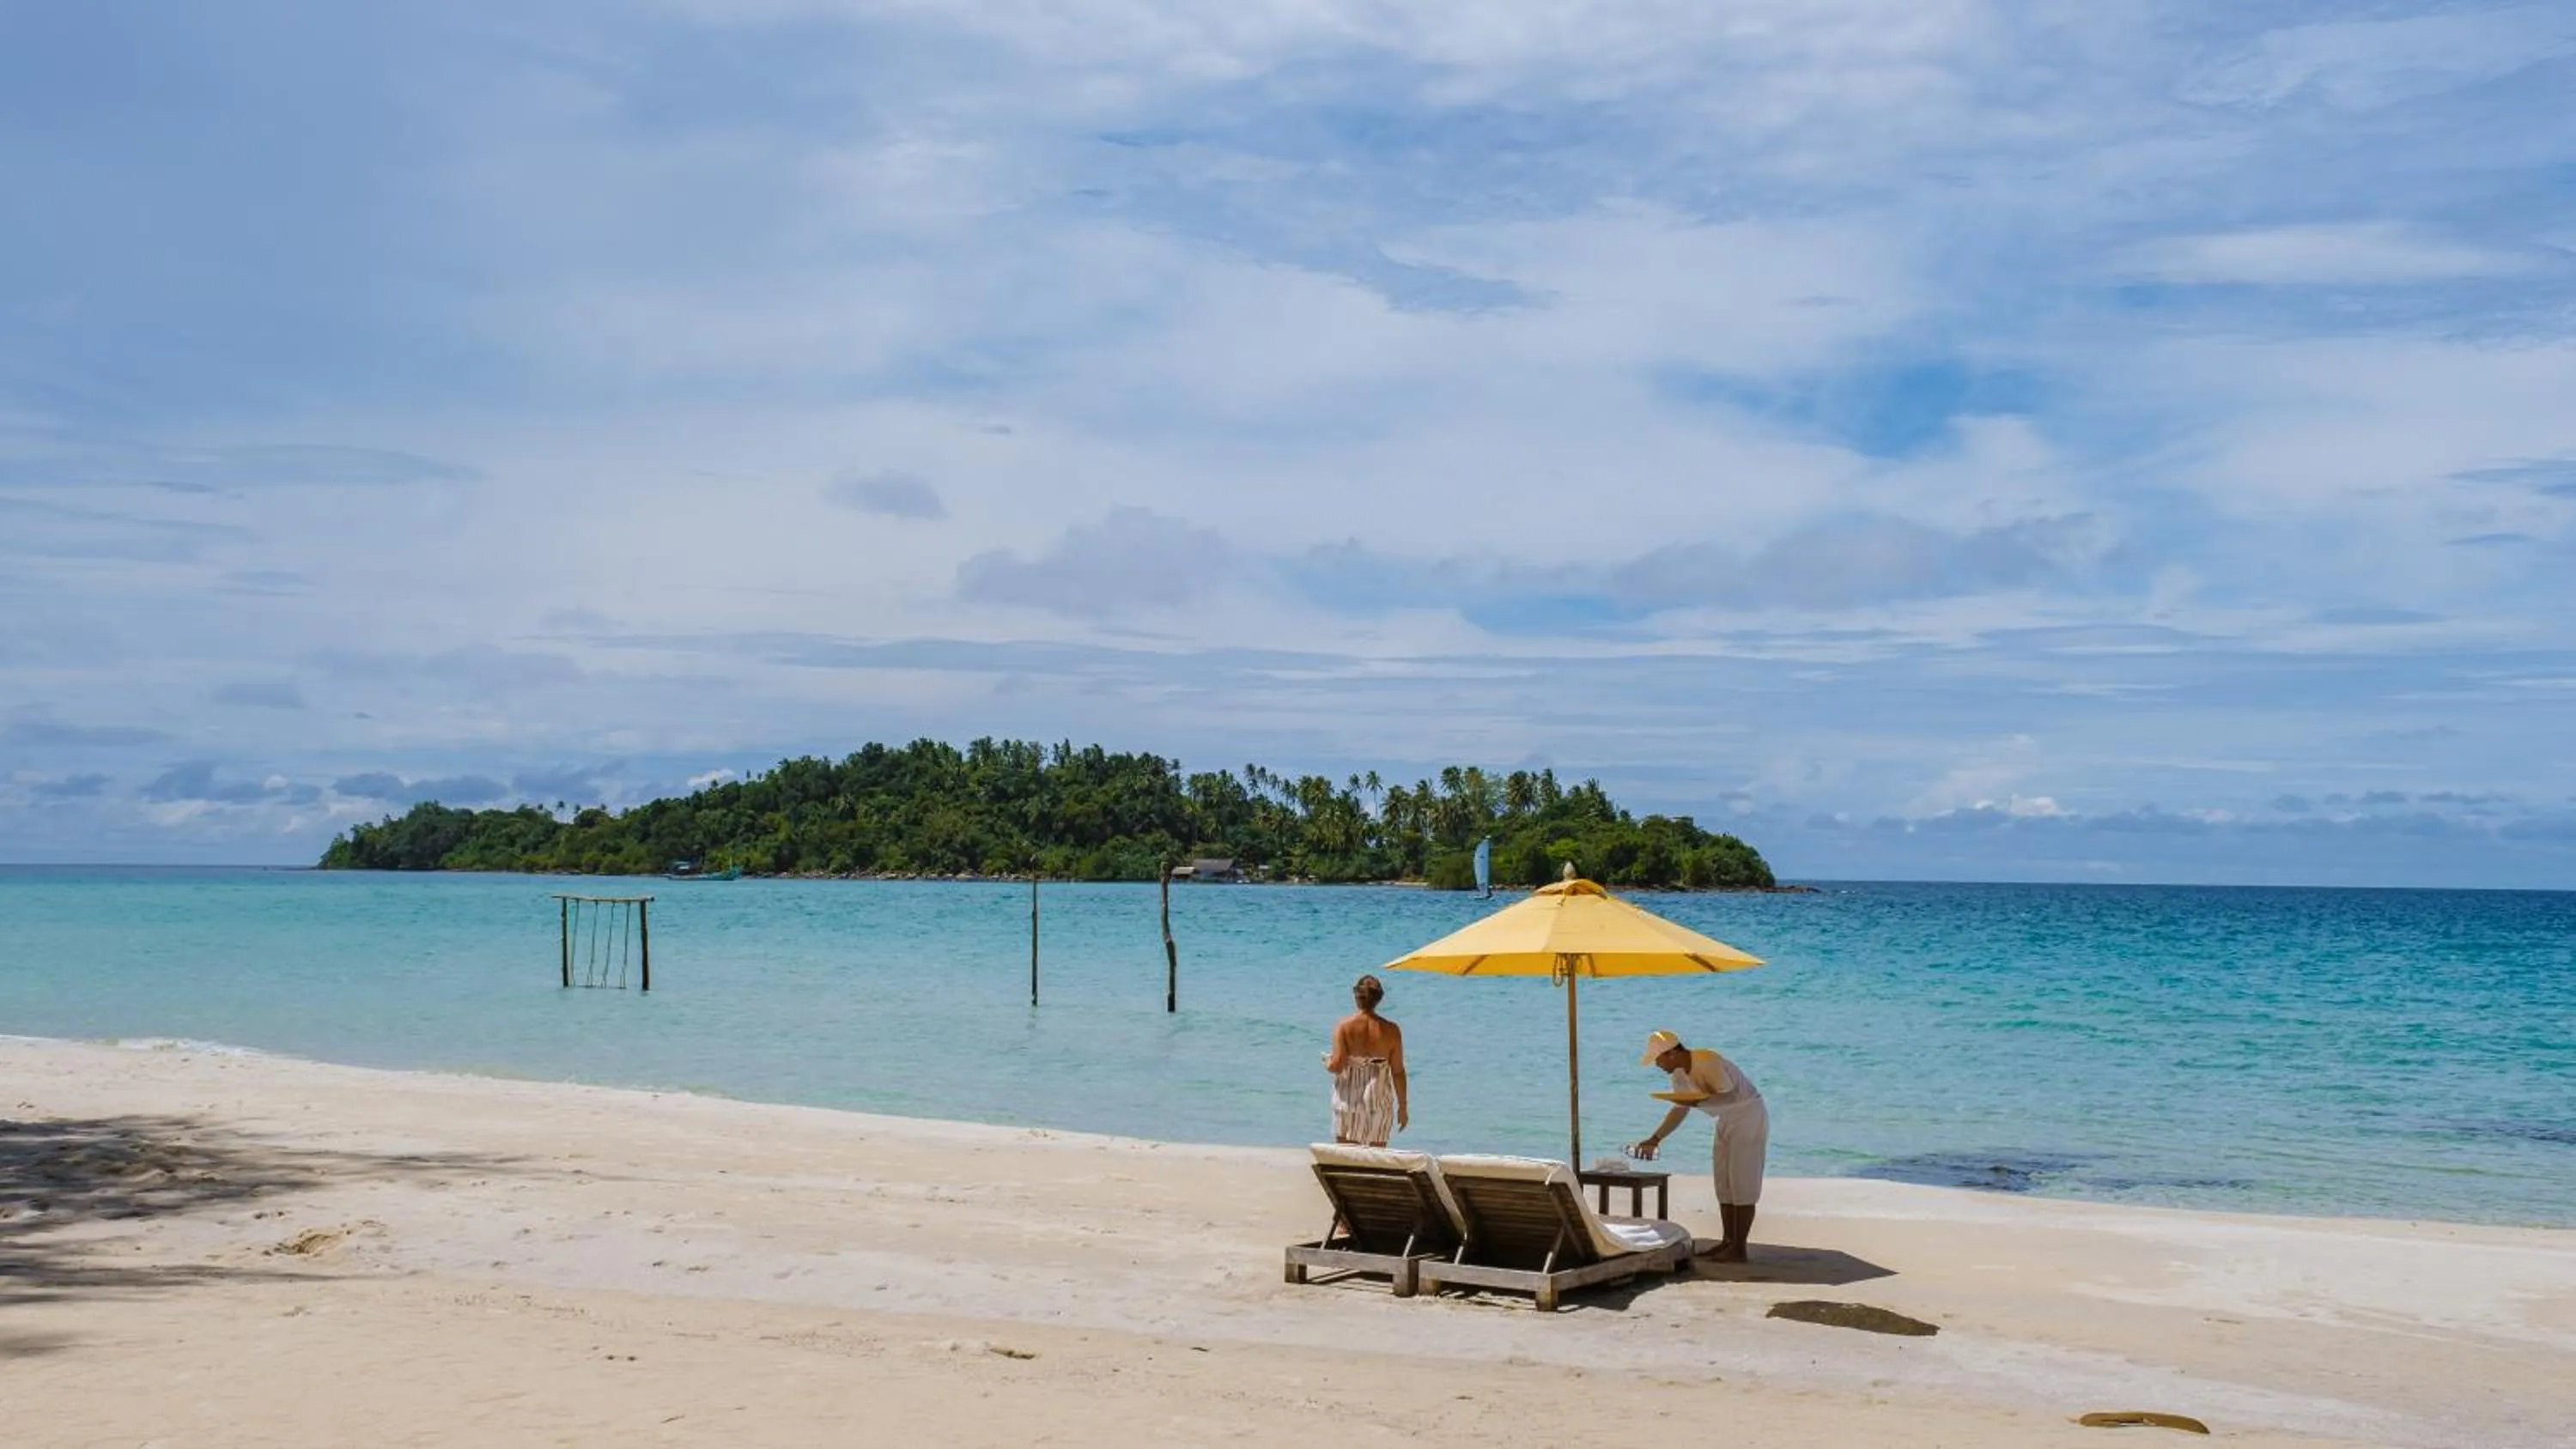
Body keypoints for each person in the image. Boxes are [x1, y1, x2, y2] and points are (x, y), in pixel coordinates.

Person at [1625, 1028, 1768, 1262]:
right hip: (1725, 1120)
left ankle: (1739, 1248)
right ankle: (1727, 1242)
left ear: (1671, 1053)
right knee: (1724, 1183)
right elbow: (1681, 1108)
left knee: (1742, 1182)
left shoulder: (1707, 1060)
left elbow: (1728, 1094)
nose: (1657, 1065)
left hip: (1748, 1116)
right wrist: (1655, 1138)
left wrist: (1696, 1101)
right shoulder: (1679, 1075)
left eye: (1658, 1060)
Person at [1322, 973, 1408, 1147]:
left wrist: (1327, 1063)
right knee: (1376, 1158)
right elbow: (1398, 1071)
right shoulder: (1392, 1030)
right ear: (1379, 999)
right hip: (1378, 1099)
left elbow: (1337, 1066)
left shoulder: (1344, 1027)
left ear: (1356, 997)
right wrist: (1403, 1107)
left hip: (1349, 1099)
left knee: (1346, 1157)